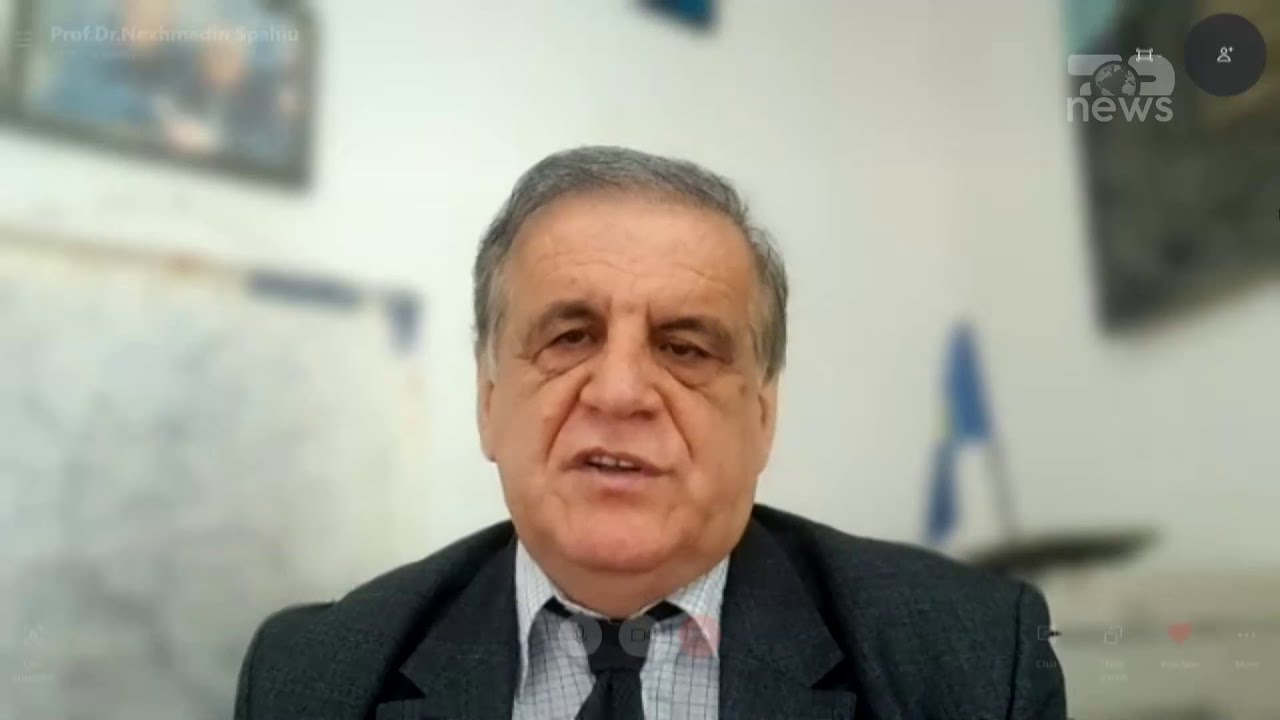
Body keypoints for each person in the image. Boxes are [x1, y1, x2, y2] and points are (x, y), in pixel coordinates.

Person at [234, 146, 1067, 719]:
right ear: (489, 401)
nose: (622, 391)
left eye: (685, 348)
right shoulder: (314, 676)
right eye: (570, 337)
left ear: (763, 417)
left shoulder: (972, 662)